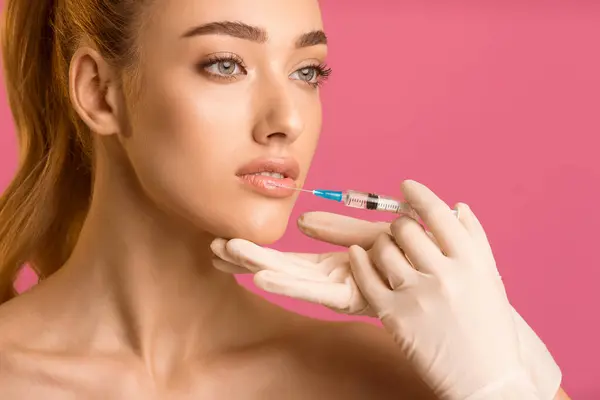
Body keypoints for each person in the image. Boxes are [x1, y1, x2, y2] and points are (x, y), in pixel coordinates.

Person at [0, 0, 568, 398]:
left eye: (307, 71)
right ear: (100, 92)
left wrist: (506, 386)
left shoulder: (398, 379)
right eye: (226, 65)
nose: (287, 120)